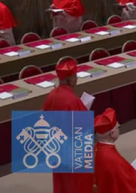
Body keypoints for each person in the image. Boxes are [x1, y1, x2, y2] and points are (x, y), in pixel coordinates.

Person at [43, 59, 93, 193]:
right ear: (70, 80)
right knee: (74, 182)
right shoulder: (72, 100)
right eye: (75, 77)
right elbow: (84, 124)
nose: (77, 80)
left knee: (61, 179)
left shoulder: (52, 95)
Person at [94, 108, 136, 193]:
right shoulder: (111, 158)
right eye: (118, 126)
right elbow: (124, 183)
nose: (119, 128)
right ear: (112, 134)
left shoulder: (96, 148)